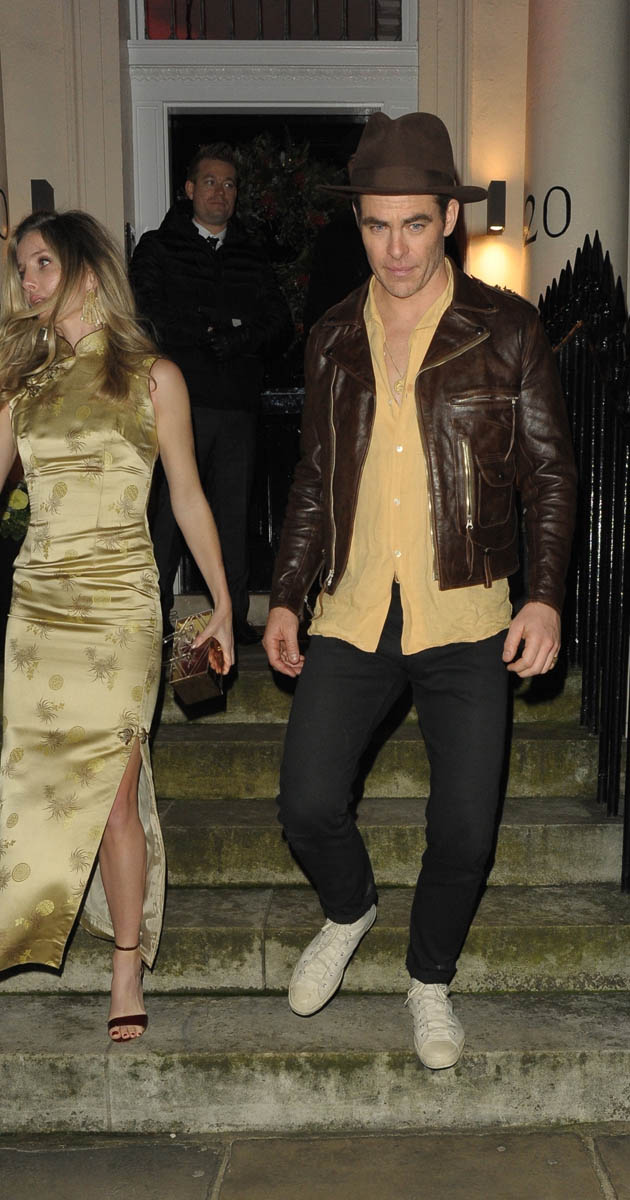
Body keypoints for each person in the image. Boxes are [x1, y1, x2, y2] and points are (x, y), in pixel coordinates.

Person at [0, 210, 234, 1042]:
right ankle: (51, 922)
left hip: (122, 606)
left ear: (87, 272)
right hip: (42, 610)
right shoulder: (15, 386)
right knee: (38, 785)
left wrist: (222, 603)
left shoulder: (155, 378)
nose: (27, 281)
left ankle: (126, 963)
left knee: (117, 794)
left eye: (42, 264)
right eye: (21, 267)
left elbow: (187, 496)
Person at [262, 112, 576, 1069]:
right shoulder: (332, 336)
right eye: (375, 225)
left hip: (467, 608)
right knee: (306, 803)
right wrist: (285, 592)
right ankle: (350, 909)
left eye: (412, 224)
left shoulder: (506, 329)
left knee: (466, 829)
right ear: (358, 224)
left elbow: (550, 474)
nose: (394, 248)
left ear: (447, 219)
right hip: (354, 607)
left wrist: (545, 595)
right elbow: (315, 476)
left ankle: (429, 979)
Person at [130, 142, 293, 644]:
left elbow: (279, 322)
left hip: (237, 406)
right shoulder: (159, 247)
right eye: (209, 181)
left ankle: (234, 620)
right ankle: (150, 619)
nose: (220, 192)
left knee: (234, 517)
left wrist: (238, 338)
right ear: (188, 189)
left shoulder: (251, 252)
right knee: (167, 517)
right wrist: (207, 331)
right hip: (177, 405)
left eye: (229, 184)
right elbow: (145, 314)